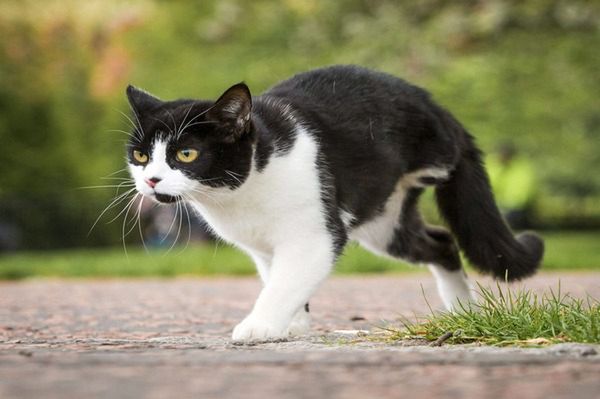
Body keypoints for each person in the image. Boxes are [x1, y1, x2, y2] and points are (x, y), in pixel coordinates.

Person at [486, 142, 537, 230]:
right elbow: (488, 185)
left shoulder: (522, 168)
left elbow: (522, 194)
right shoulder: (492, 165)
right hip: (494, 204)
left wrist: (506, 205)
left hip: (515, 208)